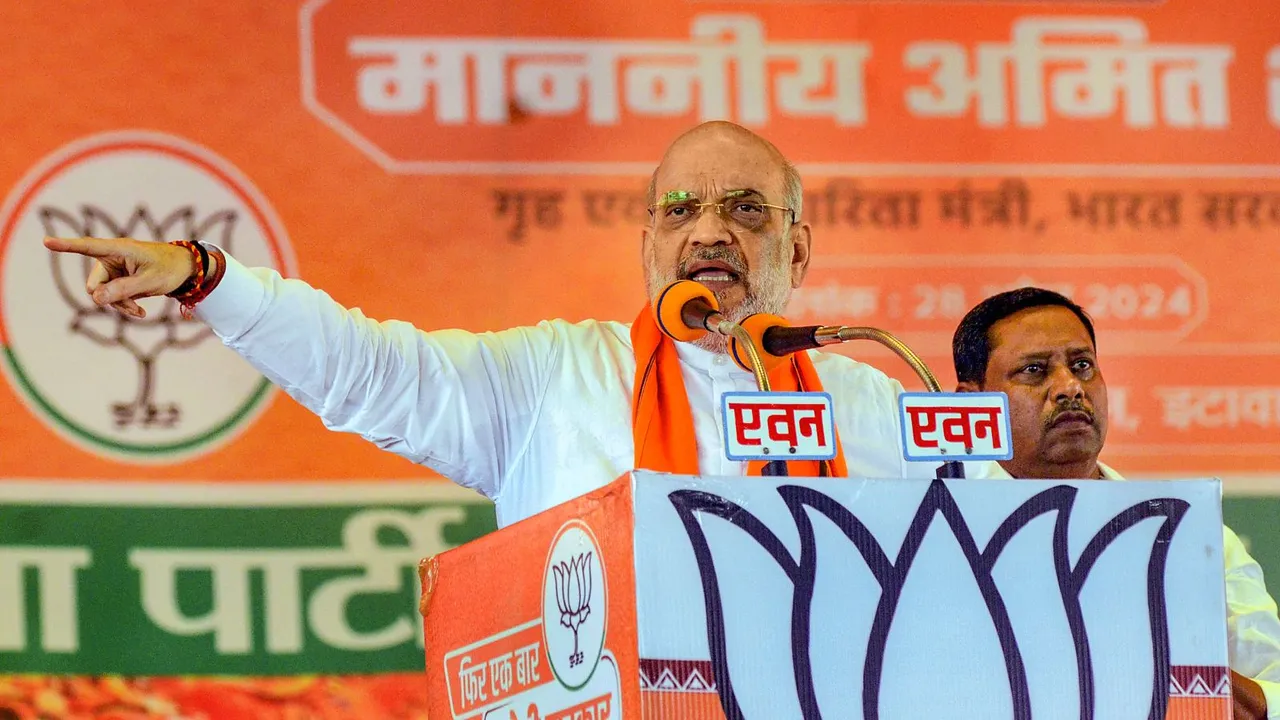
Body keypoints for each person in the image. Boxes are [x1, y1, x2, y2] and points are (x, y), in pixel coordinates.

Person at [43, 121, 933, 528]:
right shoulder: (559, 377)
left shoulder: (873, 404)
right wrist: (210, 277)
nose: (709, 230)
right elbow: (368, 370)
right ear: (650, 247)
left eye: (746, 209)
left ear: (797, 251)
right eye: (679, 210)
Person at [953, 286, 1280, 720]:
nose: (1070, 388)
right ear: (972, 404)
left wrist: (1178, 676)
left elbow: (1270, 690)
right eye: (1034, 370)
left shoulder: (1189, 537)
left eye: (1082, 365)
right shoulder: (944, 536)